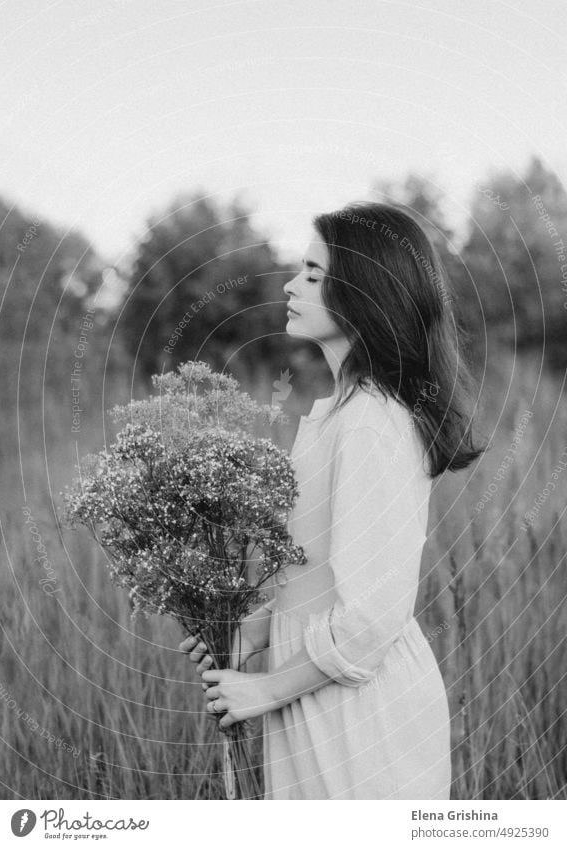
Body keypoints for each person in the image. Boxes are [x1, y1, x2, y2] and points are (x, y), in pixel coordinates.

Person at [180, 201, 485, 799]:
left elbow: (372, 618)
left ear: (365, 293)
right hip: (320, 695)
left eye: (315, 275)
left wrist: (263, 690)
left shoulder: (370, 423)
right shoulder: (345, 415)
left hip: (359, 717)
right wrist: (251, 634)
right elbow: (320, 575)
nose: (293, 285)